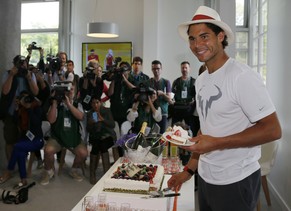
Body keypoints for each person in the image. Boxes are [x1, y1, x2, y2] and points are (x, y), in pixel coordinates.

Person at [167, 6, 281, 211]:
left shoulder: (241, 76)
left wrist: (217, 144)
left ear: (220, 36)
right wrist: (189, 171)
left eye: (204, 36)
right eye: (192, 39)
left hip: (237, 179)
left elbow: (272, 129)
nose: (197, 44)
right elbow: (208, 129)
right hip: (207, 177)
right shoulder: (201, 81)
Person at [40, 82, 88, 185]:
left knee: (83, 153)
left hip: (73, 137)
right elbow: (51, 120)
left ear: (74, 92)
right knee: (48, 150)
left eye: (70, 90)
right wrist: (54, 103)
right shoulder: (55, 104)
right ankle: (48, 171)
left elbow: (81, 117)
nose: (68, 93)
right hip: (57, 138)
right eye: (65, 91)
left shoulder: (77, 104)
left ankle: (74, 170)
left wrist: (69, 104)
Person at [0, 91, 44, 188]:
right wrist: (16, 109)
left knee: (16, 146)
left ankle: (8, 171)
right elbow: (16, 122)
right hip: (25, 140)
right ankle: (23, 180)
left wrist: (28, 109)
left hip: (37, 140)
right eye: (23, 99)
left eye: (26, 98)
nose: (25, 101)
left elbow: (36, 123)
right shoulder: (20, 109)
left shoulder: (36, 108)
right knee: (20, 152)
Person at [1, 55, 39, 161]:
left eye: (24, 63)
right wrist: (11, 75)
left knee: (25, 139)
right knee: (10, 140)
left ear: (27, 64)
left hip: (26, 113)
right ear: (14, 64)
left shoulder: (30, 74)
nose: (22, 66)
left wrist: (29, 78)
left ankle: (22, 163)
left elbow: (36, 92)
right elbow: (5, 91)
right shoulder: (8, 73)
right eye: (19, 63)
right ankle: (10, 167)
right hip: (11, 112)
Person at [86, 95, 116, 184]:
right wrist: (91, 123)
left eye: (97, 102)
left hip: (108, 136)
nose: (95, 105)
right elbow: (89, 130)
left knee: (101, 145)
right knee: (98, 145)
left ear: (100, 103)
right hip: (96, 137)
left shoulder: (106, 111)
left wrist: (102, 119)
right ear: (91, 104)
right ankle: (93, 174)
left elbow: (112, 125)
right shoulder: (91, 113)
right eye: (93, 103)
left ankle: (104, 173)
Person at [171, 61, 197, 134]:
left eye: (186, 68)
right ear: (180, 69)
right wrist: (171, 100)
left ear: (189, 69)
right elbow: (172, 95)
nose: (184, 69)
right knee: (174, 129)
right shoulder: (176, 82)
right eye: (183, 68)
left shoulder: (194, 82)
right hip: (177, 109)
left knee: (191, 130)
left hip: (189, 109)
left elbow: (197, 96)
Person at [147, 60, 172, 133]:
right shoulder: (148, 82)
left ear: (161, 69)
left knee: (162, 135)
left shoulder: (166, 82)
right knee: (150, 134)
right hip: (151, 112)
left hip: (163, 112)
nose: (156, 71)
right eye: (154, 69)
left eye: (158, 68)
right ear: (152, 69)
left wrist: (162, 94)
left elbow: (169, 99)